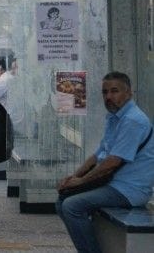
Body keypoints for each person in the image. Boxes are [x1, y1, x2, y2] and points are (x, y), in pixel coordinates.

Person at [55, 72, 154, 253]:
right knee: (62, 200)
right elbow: (98, 155)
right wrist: (73, 177)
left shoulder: (133, 120)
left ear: (129, 93)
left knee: (71, 206)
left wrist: (81, 181)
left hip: (129, 190)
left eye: (114, 91)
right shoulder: (114, 118)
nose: (109, 97)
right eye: (105, 92)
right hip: (113, 184)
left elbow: (112, 162)